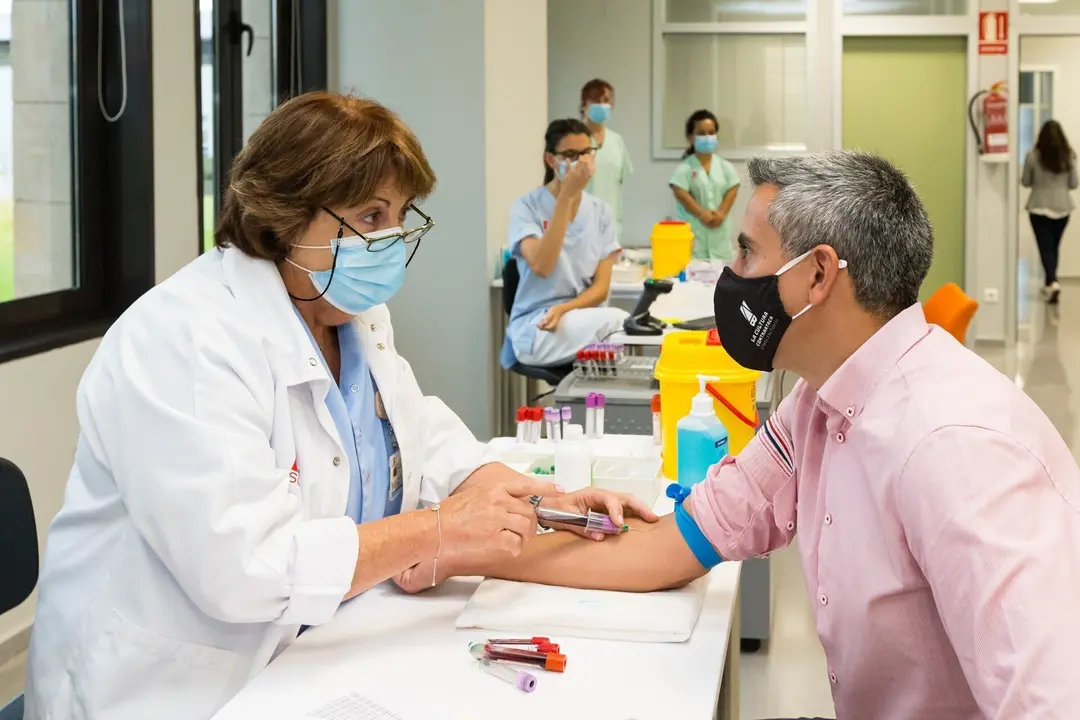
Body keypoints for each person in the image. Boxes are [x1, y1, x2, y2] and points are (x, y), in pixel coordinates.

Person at [24, 94, 648, 720]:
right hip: (171, 690)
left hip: (314, 654)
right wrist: (437, 529)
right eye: (370, 215)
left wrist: (538, 498)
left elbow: (418, 435)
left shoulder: (351, 313)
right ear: (284, 214)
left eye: (400, 215)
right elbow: (246, 566)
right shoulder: (185, 339)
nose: (391, 238)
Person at [408, 151, 1080, 719]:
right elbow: (674, 544)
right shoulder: (819, 400)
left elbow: (1049, 702)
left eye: (747, 252)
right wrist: (453, 548)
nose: (730, 275)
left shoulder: (955, 447)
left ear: (818, 274)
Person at [500, 118, 628, 369]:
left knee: (625, 326)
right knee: (619, 323)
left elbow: (601, 288)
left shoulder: (601, 212)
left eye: (587, 152)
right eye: (570, 155)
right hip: (539, 324)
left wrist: (565, 308)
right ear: (551, 159)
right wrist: (566, 197)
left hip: (578, 317)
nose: (581, 162)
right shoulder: (527, 208)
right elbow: (542, 265)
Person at [670, 109, 740, 262]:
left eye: (711, 132)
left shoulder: (725, 166)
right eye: (701, 133)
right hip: (694, 245)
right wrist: (702, 214)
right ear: (691, 138)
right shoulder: (685, 167)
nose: (707, 137)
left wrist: (721, 213)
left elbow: (733, 188)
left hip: (720, 243)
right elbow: (680, 192)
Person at [1022, 119, 1078, 304]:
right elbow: (1074, 184)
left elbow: (1026, 181)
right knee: (1053, 247)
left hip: (1039, 207)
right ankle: (1050, 282)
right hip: (1063, 208)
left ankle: (1052, 282)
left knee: (1046, 248)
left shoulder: (1032, 156)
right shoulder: (1069, 156)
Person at [580, 78, 633, 242]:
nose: (601, 105)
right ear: (584, 105)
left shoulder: (616, 141)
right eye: (595, 100)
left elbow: (620, 180)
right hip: (580, 224)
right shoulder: (576, 140)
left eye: (606, 100)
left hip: (611, 225)